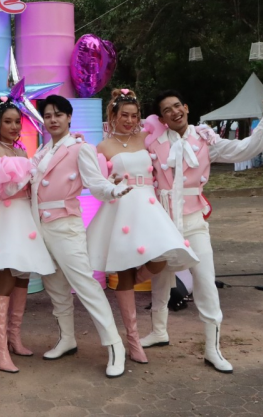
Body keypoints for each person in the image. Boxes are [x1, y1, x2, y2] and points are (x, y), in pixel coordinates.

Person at [141, 87, 263, 373]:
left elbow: (245, 148)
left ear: (186, 108)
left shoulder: (205, 139)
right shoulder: (153, 144)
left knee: (205, 280)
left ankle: (212, 348)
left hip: (193, 221)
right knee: (161, 279)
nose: (174, 111)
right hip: (162, 221)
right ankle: (159, 332)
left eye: (177, 105)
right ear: (162, 118)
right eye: (167, 110)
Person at [86, 89, 199, 365]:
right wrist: (110, 184)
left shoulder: (146, 137)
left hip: (149, 207)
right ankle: (133, 340)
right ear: (113, 115)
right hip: (121, 209)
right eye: (124, 115)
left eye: (134, 116)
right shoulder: (102, 147)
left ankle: (134, 281)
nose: (129, 120)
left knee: (160, 258)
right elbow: (99, 183)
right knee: (122, 271)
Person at [32, 95, 131, 378]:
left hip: (65, 224)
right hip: (40, 224)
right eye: (48, 115)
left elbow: (95, 182)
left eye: (58, 114)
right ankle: (67, 339)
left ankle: (115, 345)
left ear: (69, 117)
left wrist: (112, 190)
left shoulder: (80, 148)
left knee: (85, 285)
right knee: (55, 285)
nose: (53, 119)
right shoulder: (42, 151)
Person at [0, 97, 56, 373]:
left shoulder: (21, 150)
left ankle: (14, 337)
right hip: (8, 218)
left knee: (22, 277)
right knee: (6, 279)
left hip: (25, 216)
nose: (14, 126)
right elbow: (4, 190)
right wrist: (30, 173)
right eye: (8, 122)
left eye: (17, 121)